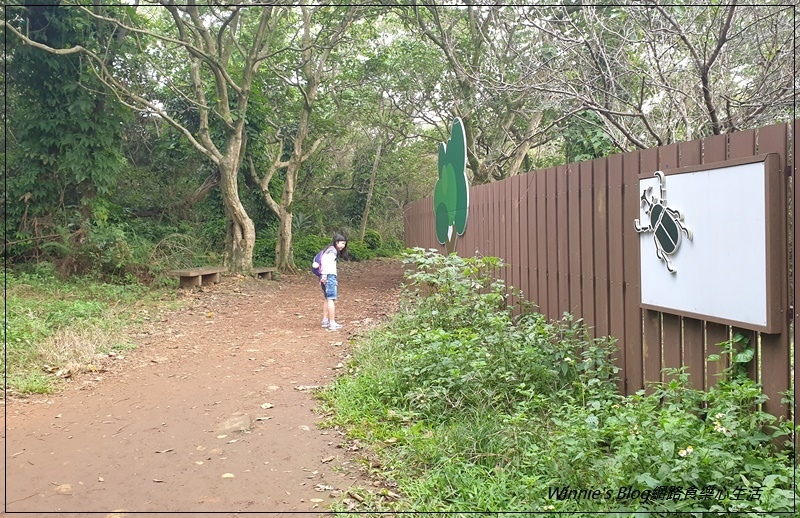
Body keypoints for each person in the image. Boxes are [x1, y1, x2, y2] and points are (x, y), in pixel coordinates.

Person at [320, 233, 348, 330]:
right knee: (331, 299)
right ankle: (332, 322)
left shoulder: (328, 250)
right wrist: (326, 276)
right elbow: (327, 263)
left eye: (344, 244)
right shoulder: (332, 252)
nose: (343, 246)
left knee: (327, 298)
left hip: (325, 276)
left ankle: (325, 320)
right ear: (336, 242)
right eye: (341, 243)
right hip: (329, 276)